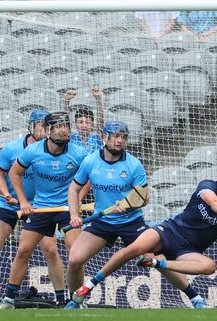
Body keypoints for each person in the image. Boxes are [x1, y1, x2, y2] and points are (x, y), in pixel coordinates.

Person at [66, 163, 217, 309]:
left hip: (188, 250)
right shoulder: (207, 186)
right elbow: (212, 200)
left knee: (209, 266)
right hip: (170, 231)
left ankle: (157, 265)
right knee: (132, 250)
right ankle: (87, 287)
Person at [65, 122, 199, 306]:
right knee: (74, 259)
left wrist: (127, 205)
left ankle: (195, 298)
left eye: (124, 137)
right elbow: (74, 189)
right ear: (105, 137)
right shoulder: (90, 161)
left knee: (156, 260)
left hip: (131, 222)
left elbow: (144, 199)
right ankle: (75, 300)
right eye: (116, 136)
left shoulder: (133, 165)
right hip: (102, 222)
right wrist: (74, 215)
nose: (120, 141)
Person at [0, 112, 89, 309]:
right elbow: (14, 173)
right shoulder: (33, 151)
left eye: (66, 126)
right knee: (23, 251)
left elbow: (89, 176)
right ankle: (9, 300)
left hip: (67, 208)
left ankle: (76, 301)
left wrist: (78, 199)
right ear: (48, 130)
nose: (64, 130)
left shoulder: (79, 153)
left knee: (76, 253)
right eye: (58, 126)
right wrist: (22, 201)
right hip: (41, 207)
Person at [0, 110, 67, 309]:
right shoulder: (12, 149)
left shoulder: (52, 150)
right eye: (41, 125)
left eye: (48, 125)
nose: (45, 129)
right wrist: (7, 194)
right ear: (31, 127)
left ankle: (62, 300)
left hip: (39, 207)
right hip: (9, 205)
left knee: (51, 249)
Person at [63, 87, 105, 154]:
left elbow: (101, 124)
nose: (84, 125)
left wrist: (99, 98)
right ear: (76, 124)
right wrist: (66, 101)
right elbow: (65, 123)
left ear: (92, 125)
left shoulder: (96, 138)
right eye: (80, 122)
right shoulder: (72, 138)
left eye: (87, 122)